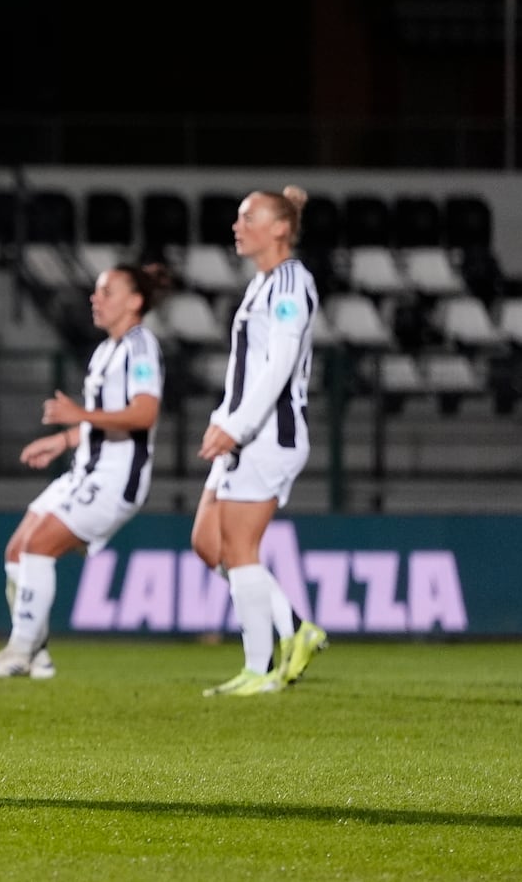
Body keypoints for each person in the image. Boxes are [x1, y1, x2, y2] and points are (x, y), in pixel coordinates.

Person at [0, 263, 169, 679]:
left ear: (135, 302)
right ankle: (38, 653)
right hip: (85, 471)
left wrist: (78, 413)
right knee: (16, 551)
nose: (95, 299)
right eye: (96, 292)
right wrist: (64, 440)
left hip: (117, 477)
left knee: (38, 547)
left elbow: (144, 412)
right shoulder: (105, 350)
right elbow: (103, 419)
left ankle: (20, 652)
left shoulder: (140, 347)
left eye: (107, 292)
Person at [191, 185, 328, 697]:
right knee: (210, 543)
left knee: (239, 548)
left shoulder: (291, 284)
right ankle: (295, 628)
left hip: (268, 433)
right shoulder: (265, 283)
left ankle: (259, 669)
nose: (237, 225)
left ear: (278, 229)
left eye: (248, 217)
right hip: (246, 431)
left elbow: (279, 366)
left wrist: (239, 425)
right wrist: (224, 419)